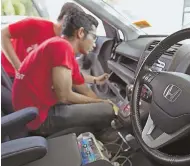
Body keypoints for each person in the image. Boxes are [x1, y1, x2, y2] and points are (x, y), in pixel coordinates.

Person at [12, 10, 116, 141]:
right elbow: (65, 96)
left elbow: (78, 82)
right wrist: (101, 103)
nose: (95, 44)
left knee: (103, 107)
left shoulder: (59, 44)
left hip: (32, 111)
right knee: (107, 110)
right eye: (94, 37)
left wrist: (95, 80)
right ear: (81, 33)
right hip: (38, 118)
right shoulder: (61, 47)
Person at [1, 2, 108, 84]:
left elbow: (70, 74)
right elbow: (3, 34)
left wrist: (94, 80)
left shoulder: (66, 43)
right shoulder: (35, 24)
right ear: (65, 18)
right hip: (7, 73)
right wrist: (19, 68)